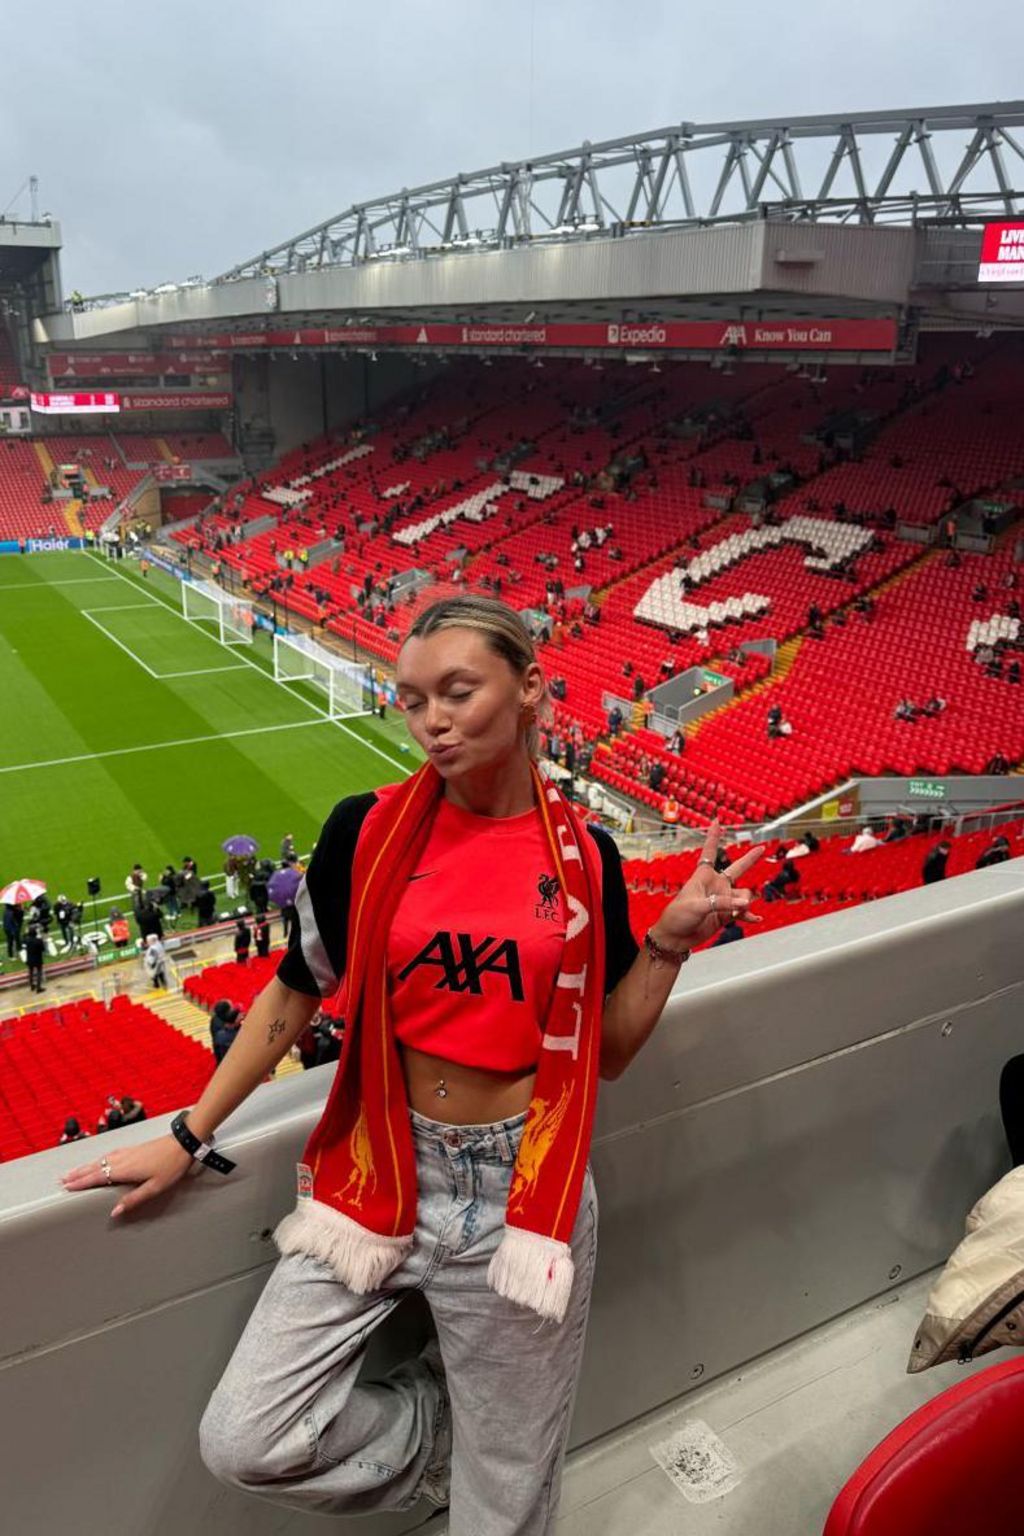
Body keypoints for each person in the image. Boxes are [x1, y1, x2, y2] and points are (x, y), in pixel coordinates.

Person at [60, 594, 765, 1534]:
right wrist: (189, 1134)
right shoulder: (365, 830)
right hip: (377, 1167)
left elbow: (613, 1050)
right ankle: (442, 1430)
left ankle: (486, 1455)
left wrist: (669, 944)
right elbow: (293, 990)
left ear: (530, 691)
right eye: (411, 698)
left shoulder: (586, 857)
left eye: (458, 692)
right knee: (247, 1437)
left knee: (505, 1504)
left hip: (522, 1193)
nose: (431, 720)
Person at [210, 1000, 242, 1064]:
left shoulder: (216, 1018)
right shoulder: (222, 1032)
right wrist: (236, 1025)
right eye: (231, 1008)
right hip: (226, 1055)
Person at [24, 924, 45, 992]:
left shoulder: (27, 940)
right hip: (38, 959)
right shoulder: (38, 940)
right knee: (39, 973)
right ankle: (38, 988)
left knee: (31, 972)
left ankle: (32, 985)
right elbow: (43, 949)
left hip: (29, 959)